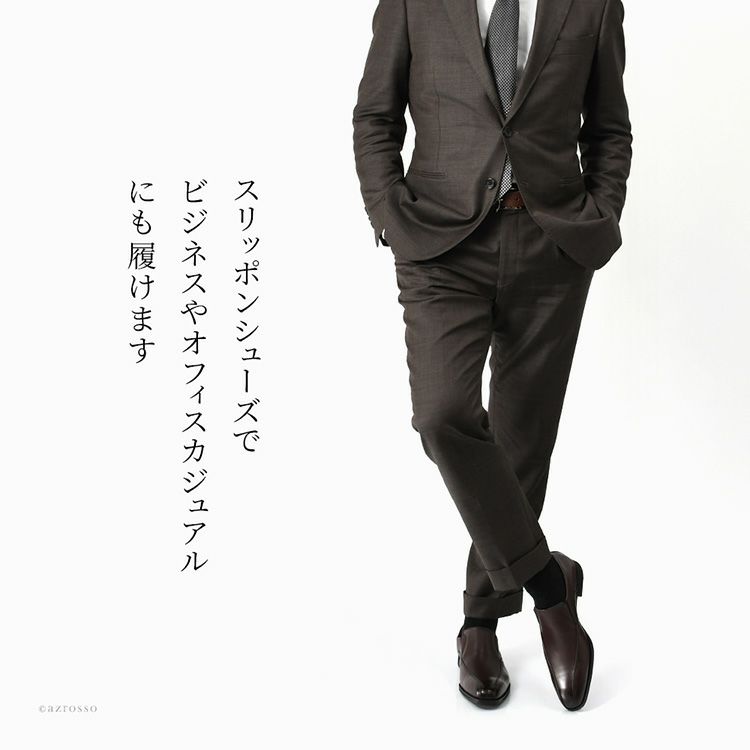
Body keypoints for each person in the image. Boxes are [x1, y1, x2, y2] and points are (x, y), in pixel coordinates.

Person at [352, 0, 632, 711]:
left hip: (551, 245)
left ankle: (479, 622)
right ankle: (550, 587)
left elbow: (609, 128)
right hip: (440, 246)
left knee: (521, 443)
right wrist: (388, 213)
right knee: (442, 415)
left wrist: (599, 214)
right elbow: (375, 116)